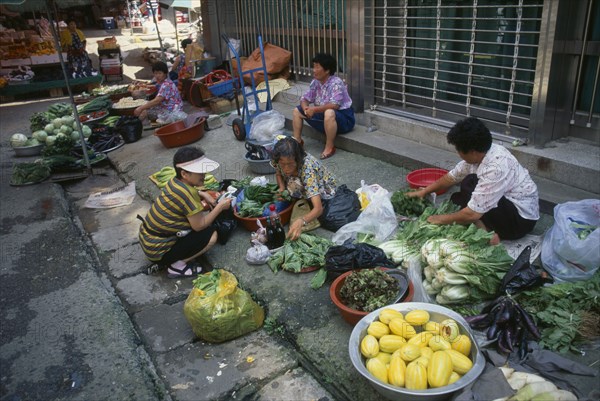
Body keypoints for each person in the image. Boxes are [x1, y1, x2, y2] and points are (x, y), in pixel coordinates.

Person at [407, 117, 539, 244]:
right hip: (506, 202)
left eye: (458, 150)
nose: (458, 154)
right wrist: (424, 191)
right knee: (460, 194)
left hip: (520, 220)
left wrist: (439, 219)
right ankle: (482, 224)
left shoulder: (495, 167)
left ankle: (487, 233)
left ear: (472, 152)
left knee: (468, 193)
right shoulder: (484, 151)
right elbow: (452, 176)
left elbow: (472, 214)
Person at [138, 146, 233, 278]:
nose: (204, 175)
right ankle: (177, 266)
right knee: (212, 235)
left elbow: (187, 195)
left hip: (148, 241)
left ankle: (171, 258)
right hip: (158, 251)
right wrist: (220, 207)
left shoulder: (174, 182)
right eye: (199, 172)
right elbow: (199, 225)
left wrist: (203, 194)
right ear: (184, 174)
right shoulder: (188, 194)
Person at [270, 137, 337, 240]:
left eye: (290, 164)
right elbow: (278, 173)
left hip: (325, 189)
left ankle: (308, 198)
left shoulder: (307, 169)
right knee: (290, 188)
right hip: (301, 182)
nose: (286, 168)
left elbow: (318, 209)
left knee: (309, 201)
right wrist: (282, 188)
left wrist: (302, 220)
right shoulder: (278, 160)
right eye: (283, 164)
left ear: (298, 160)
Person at [293, 53, 355, 160]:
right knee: (297, 111)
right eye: (314, 66)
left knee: (329, 111)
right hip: (324, 116)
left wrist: (314, 109)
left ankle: (330, 146)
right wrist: (306, 109)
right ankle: (297, 142)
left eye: (317, 67)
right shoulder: (315, 82)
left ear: (327, 70)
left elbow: (335, 105)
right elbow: (305, 99)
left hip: (344, 120)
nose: (314, 70)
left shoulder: (336, 83)